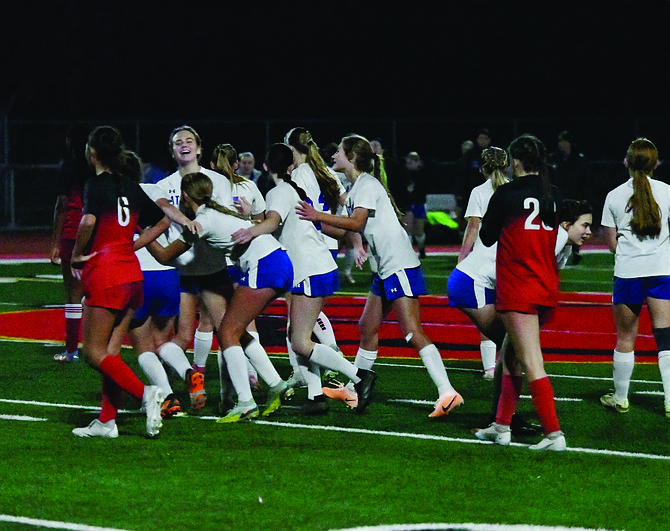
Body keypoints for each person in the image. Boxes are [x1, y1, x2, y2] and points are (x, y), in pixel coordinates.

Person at [297, 134, 463, 417]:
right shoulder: (357, 186)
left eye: (339, 151)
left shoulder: (366, 185)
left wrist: (318, 216)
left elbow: (356, 223)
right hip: (386, 269)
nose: (334, 155)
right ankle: (355, 386)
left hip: (398, 264)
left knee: (411, 332)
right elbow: (346, 230)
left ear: (350, 157)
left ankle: (447, 392)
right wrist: (306, 222)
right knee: (367, 327)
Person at [233, 142, 376, 415]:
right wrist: (251, 217)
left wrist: (250, 231)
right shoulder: (293, 189)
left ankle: (359, 376)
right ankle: (315, 396)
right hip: (314, 265)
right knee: (299, 335)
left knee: (300, 341)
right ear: (291, 166)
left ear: (265, 167)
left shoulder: (279, 191)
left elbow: (272, 223)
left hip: (309, 268)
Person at [146, 172, 294, 422]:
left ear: (184, 195)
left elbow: (164, 256)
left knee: (227, 332)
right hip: (278, 259)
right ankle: (276, 385)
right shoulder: (221, 211)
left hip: (266, 264)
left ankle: (246, 402)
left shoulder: (203, 220)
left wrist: (145, 231)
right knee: (236, 330)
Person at [70, 126, 170, 438]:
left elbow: (88, 221)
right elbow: (163, 220)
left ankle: (146, 394)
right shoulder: (131, 185)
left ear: (93, 152)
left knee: (93, 353)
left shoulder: (94, 185)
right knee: (110, 355)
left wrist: (76, 254)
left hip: (108, 274)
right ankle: (106, 421)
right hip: (131, 275)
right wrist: (134, 245)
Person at [473, 134, 566, 451]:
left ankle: (554, 434)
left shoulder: (506, 193)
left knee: (530, 361)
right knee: (509, 358)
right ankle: (501, 426)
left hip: (518, 285)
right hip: (545, 283)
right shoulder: (552, 194)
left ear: (515, 162)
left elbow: (485, 238)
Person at [154, 125, 236, 413]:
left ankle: (230, 394)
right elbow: (162, 214)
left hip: (214, 267)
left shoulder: (217, 181)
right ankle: (193, 379)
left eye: (189, 141)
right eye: (178, 142)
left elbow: (222, 218)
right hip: (184, 270)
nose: (184, 145)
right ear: (172, 151)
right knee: (183, 336)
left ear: (200, 148)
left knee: (229, 332)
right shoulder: (164, 186)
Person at [599, 138, 670, 418]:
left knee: (626, 337)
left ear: (626, 162)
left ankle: (620, 398)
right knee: (665, 338)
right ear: (655, 164)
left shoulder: (614, 195)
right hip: (662, 272)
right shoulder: (667, 192)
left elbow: (612, 243)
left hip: (628, 273)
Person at [450, 146, 510, 380]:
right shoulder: (514, 189)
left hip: (484, 260)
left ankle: (489, 368)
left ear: (482, 168)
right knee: (507, 314)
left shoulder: (479, 191)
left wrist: (462, 256)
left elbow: (473, 227)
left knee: (486, 315)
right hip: (508, 260)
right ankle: (511, 360)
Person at [50, 123, 93, 362]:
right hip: (97, 232)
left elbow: (62, 206)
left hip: (72, 232)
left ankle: (71, 350)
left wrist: (54, 243)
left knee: (73, 292)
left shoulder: (68, 167)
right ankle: (101, 343)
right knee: (96, 288)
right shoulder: (97, 169)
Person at [549, 130, 588, 264]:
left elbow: (584, 180)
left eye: (565, 141)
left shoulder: (579, 159)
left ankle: (575, 251)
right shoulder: (553, 159)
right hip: (558, 197)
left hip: (574, 197)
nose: (562, 145)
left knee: (575, 225)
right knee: (559, 226)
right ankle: (559, 252)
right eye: (560, 141)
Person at [455, 128, 492, 210]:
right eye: (481, 138)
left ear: (489, 140)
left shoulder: (493, 155)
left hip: (488, 191)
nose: (483, 141)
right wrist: (459, 192)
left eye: (485, 138)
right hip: (470, 192)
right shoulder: (470, 155)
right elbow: (462, 174)